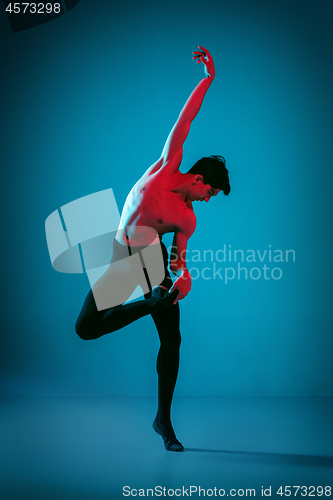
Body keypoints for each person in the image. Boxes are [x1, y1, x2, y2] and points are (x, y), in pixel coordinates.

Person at [75, 46, 231, 452]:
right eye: (210, 192)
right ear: (198, 179)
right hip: (122, 257)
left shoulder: (187, 219)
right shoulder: (165, 167)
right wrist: (207, 79)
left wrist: (184, 279)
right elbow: (187, 118)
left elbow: (178, 261)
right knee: (85, 328)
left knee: (173, 340)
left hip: (151, 261)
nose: (208, 200)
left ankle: (163, 419)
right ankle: (150, 303)